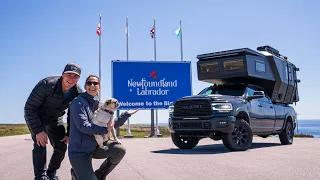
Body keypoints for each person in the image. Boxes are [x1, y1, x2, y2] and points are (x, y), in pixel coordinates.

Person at [68, 75, 139, 180]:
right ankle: (76, 174)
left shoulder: (101, 105)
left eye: (95, 83)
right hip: (80, 152)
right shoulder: (77, 102)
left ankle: (100, 175)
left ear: (99, 87)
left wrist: (126, 114)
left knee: (119, 150)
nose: (92, 85)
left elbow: (110, 124)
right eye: (89, 83)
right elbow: (83, 126)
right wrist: (106, 130)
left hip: (95, 146)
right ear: (85, 86)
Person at [24, 62, 83, 180]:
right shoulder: (46, 85)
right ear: (62, 74)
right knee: (40, 144)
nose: (71, 79)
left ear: (78, 79)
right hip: (37, 116)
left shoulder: (77, 93)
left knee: (61, 146)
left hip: (55, 118)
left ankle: (51, 173)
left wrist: (68, 133)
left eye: (75, 76)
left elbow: (73, 115)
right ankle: (40, 176)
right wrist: (38, 131)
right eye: (69, 74)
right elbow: (29, 108)